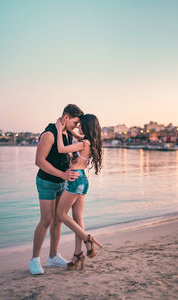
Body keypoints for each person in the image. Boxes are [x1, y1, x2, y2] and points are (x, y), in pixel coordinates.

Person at [29, 104, 84, 275]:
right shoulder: (49, 134)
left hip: (62, 182)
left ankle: (53, 257)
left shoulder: (65, 132)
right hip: (46, 182)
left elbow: (78, 137)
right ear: (66, 118)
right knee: (46, 220)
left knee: (58, 221)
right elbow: (39, 161)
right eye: (75, 122)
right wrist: (63, 174)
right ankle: (35, 260)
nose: (76, 126)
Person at [56, 114, 103, 270]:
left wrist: (58, 130)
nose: (78, 127)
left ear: (87, 127)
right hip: (83, 180)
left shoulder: (83, 144)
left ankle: (86, 238)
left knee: (60, 214)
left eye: (81, 125)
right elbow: (78, 136)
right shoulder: (91, 142)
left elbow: (61, 148)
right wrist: (70, 130)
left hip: (75, 180)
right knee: (77, 218)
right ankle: (78, 255)